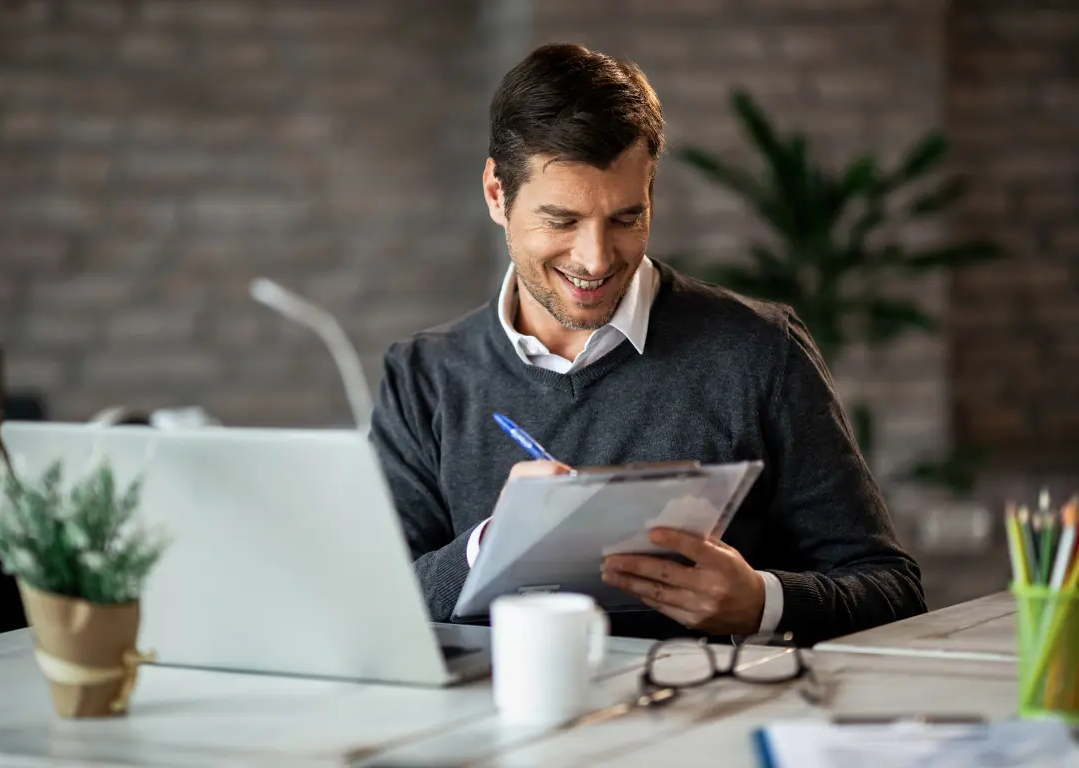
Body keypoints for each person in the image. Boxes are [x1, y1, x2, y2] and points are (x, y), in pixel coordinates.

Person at [369, 42, 926, 645]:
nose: (596, 258)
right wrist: (490, 546)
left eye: (626, 218)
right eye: (562, 221)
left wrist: (762, 603)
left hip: (703, 727)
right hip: (504, 730)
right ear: (496, 195)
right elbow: (372, 599)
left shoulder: (760, 350)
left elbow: (892, 589)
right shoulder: (423, 374)